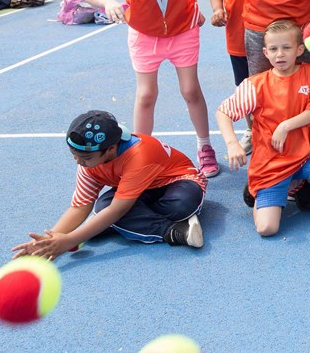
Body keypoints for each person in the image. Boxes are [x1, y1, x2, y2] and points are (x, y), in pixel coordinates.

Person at [84, 0, 218, 178]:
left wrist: (195, 12)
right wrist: (108, 2)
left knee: (190, 90)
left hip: (183, 32)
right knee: (146, 95)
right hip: (144, 35)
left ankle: (205, 146)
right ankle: (138, 153)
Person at [216, 19, 310, 236]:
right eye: (273, 49)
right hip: (271, 165)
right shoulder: (256, 85)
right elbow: (223, 112)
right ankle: (269, 190)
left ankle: (297, 180)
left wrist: (285, 126)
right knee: (267, 229)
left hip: (305, 154)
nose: (280, 54)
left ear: (299, 50)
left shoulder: (309, 73)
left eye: (286, 48)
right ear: (265, 52)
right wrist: (232, 143)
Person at [12, 110, 205, 258]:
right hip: (137, 192)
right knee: (105, 207)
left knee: (181, 205)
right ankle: (129, 224)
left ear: (111, 149)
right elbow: (79, 207)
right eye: (74, 155)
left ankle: (170, 232)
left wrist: (71, 239)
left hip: (178, 182)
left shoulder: (139, 155)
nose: (78, 162)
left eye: (85, 157)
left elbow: (117, 210)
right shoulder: (88, 164)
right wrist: (49, 242)